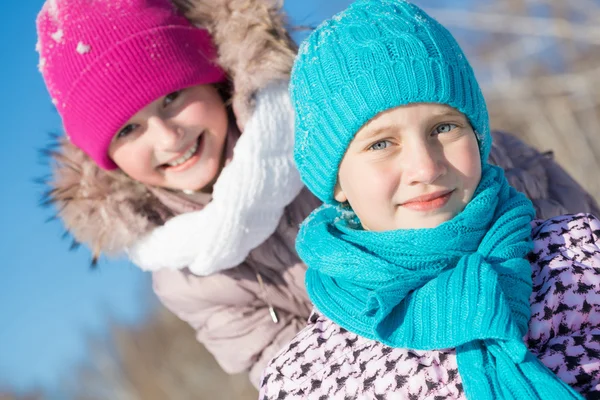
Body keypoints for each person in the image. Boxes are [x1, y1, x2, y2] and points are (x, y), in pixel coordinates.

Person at [36, 0, 597, 390]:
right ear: (106, 159)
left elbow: (488, 177)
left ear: (215, 80)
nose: (168, 136)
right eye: (128, 130)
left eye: (173, 97)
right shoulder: (185, 275)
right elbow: (278, 365)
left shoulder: (321, 126)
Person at [259, 1, 600, 398]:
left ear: (478, 136)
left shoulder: (580, 253)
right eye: (381, 143)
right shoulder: (304, 379)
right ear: (336, 182)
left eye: (443, 127)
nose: (425, 167)